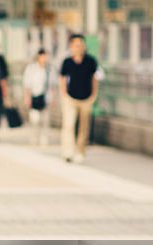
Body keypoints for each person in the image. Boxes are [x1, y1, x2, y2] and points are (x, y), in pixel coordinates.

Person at [59, 33, 98, 163]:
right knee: (68, 125)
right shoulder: (67, 62)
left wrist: (94, 95)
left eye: (80, 45)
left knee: (83, 127)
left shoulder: (90, 61)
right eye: (75, 45)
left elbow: (94, 78)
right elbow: (63, 79)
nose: (78, 47)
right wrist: (63, 93)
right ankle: (68, 151)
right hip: (70, 98)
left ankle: (80, 151)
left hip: (86, 98)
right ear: (71, 46)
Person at [22, 49, 53, 147]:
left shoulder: (50, 69)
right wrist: (27, 98)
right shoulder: (31, 68)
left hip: (46, 97)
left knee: (45, 120)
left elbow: (53, 85)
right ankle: (34, 137)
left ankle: (44, 139)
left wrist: (53, 98)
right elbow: (27, 84)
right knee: (35, 119)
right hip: (34, 96)